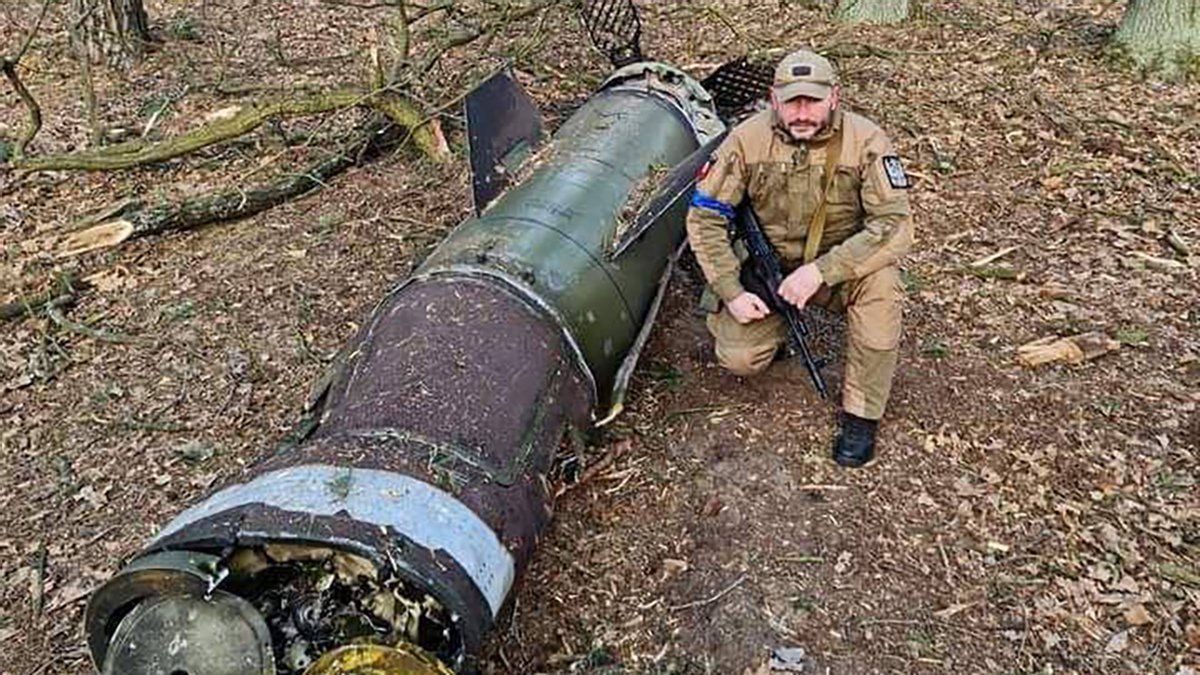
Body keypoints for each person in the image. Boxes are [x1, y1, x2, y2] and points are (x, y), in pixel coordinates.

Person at [685, 48, 914, 468]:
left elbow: (893, 225)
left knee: (882, 291)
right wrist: (731, 290)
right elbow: (705, 218)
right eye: (792, 101)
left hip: (841, 269)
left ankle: (862, 414)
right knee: (739, 358)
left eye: (812, 100)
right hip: (771, 270)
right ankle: (773, 337)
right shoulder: (746, 140)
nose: (802, 112)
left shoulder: (867, 141)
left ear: (834, 97)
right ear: (774, 99)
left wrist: (822, 272)